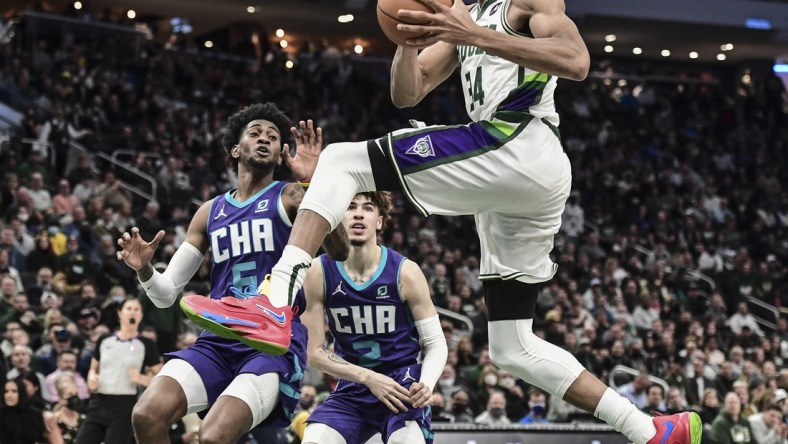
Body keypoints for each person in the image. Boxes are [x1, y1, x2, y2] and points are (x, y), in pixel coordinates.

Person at [188, 1, 700, 444]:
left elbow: (577, 61)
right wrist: (408, 41)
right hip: (516, 180)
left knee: (342, 160)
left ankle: (275, 299)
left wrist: (471, 35)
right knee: (511, 346)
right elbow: (407, 94)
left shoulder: (518, 6)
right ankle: (649, 430)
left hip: (518, 143)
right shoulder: (466, 16)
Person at [120, 103, 348, 444]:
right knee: (147, 415)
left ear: (281, 153)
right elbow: (166, 294)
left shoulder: (291, 195)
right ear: (235, 148)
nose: (264, 140)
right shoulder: (209, 211)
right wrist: (145, 270)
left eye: (273, 137)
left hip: (271, 343)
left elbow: (340, 250)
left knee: (212, 437)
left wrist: (312, 182)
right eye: (255, 133)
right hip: (218, 338)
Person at [299, 192, 448, 444]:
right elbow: (313, 353)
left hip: (403, 386)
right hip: (353, 386)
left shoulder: (405, 272)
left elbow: (436, 343)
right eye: (350, 207)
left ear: (379, 221)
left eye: (368, 208)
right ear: (337, 218)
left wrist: (427, 383)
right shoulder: (317, 272)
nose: (358, 213)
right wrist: (368, 378)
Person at [75, 298, 161, 444]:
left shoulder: (146, 344)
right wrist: (91, 379)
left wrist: (141, 379)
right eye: (129, 308)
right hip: (99, 402)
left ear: (141, 315)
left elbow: (160, 378)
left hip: (124, 406)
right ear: (119, 313)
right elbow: (93, 369)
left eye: (136, 309)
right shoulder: (104, 340)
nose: (132, 312)